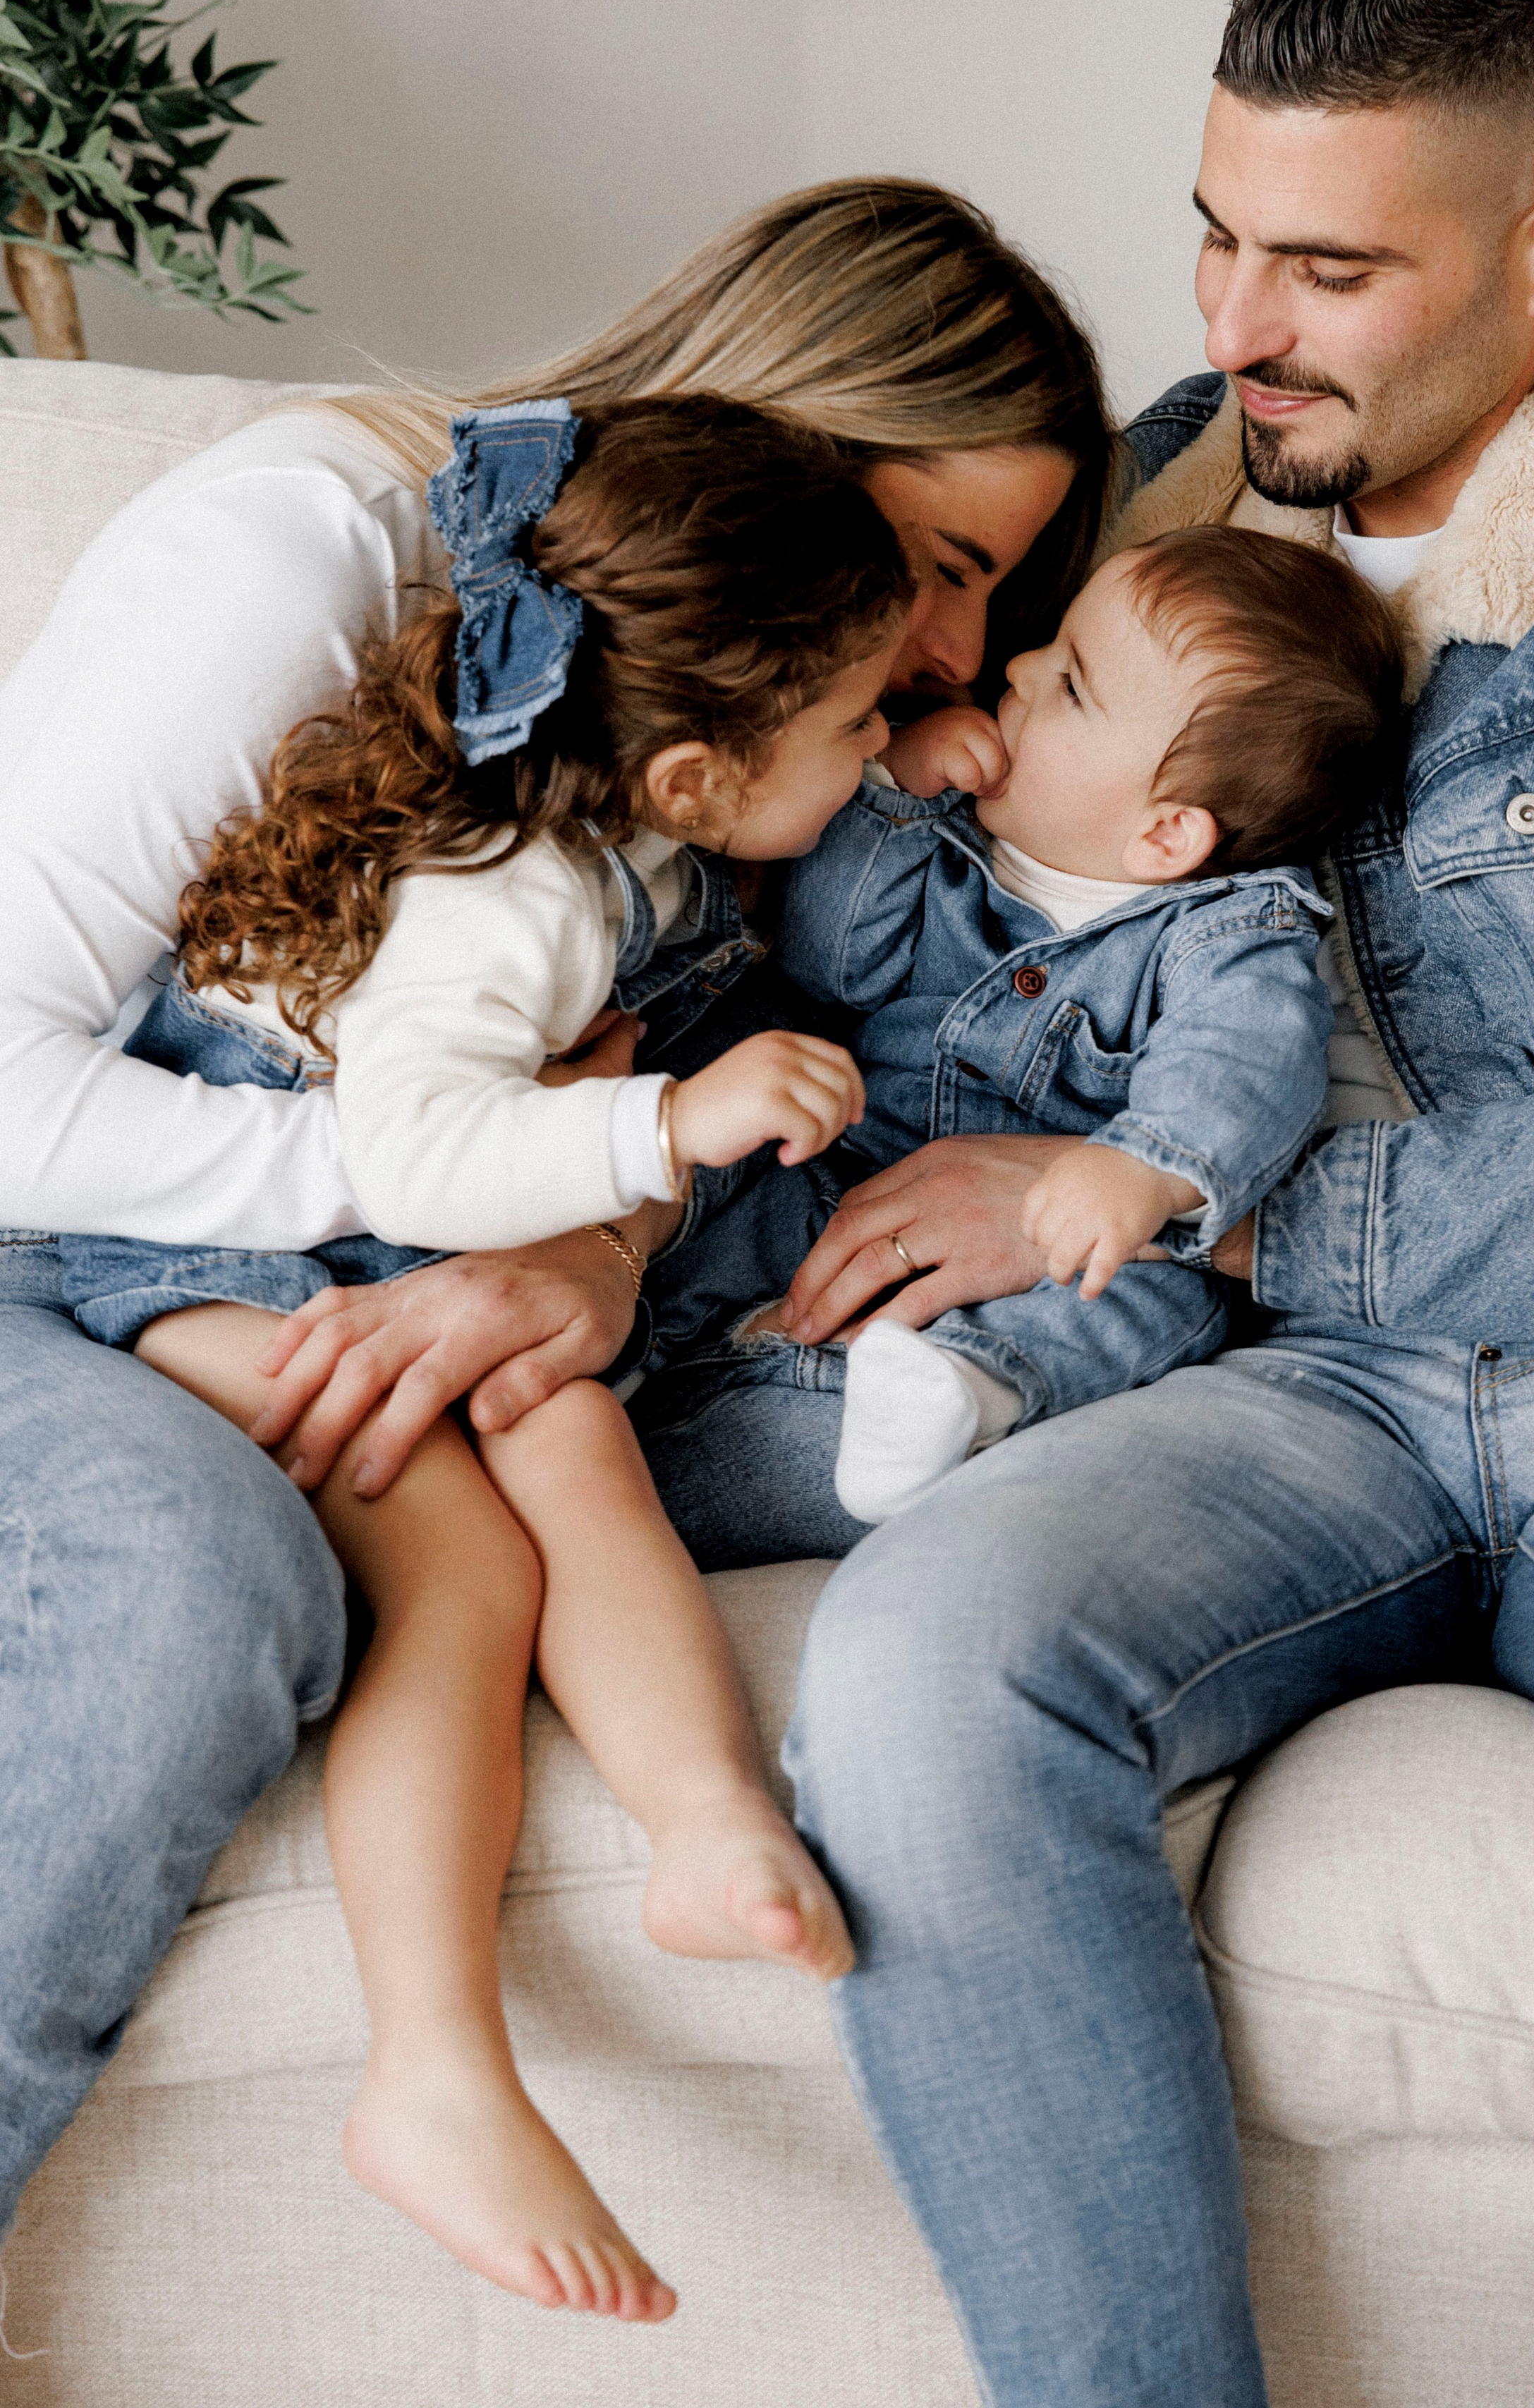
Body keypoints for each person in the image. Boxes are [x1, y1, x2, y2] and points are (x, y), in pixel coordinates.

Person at [629, 0, 1534, 2407]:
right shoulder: (1156, 480)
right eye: (1216, 234)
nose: (1240, 324)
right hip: (1261, 1389)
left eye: (1327, 270)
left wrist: (1191, 1199)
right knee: (927, 1675)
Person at [0, 178, 1109, 2244]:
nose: (953, 650)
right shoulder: (324, 556)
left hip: (425, 1206)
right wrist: (472, 1179)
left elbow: (677, 1077)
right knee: (222, 1579)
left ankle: (700, 1832)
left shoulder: (721, 761)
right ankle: (438, 2063)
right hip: (99, 1216)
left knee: (689, 1450)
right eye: (944, 567)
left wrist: (588, 1242)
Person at [55, 393, 916, 2314]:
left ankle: (705, 1824)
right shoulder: (511, 897)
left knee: (569, 1434)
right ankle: (432, 2069)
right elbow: (413, 1155)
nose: (890, 743)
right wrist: (664, 1127)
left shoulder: (636, 824)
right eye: (862, 720)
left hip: (381, 1225)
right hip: (198, 1229)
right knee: (456, 1560)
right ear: (693, 769)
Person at [638, 523, 1401, 1521]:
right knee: (745, 1184)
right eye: (1052, 646)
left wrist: (1146, 1168)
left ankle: (968, 1388)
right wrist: (892, 793)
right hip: (849, 1168)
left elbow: (1245, 1061)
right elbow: (831, 963)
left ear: (1166, 833)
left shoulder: (1226, 931)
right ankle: (664, 1353)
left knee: (1154, 1292)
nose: (1022, 665)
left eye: (1072, 684)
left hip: (1058, 1245)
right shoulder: (954, 837)